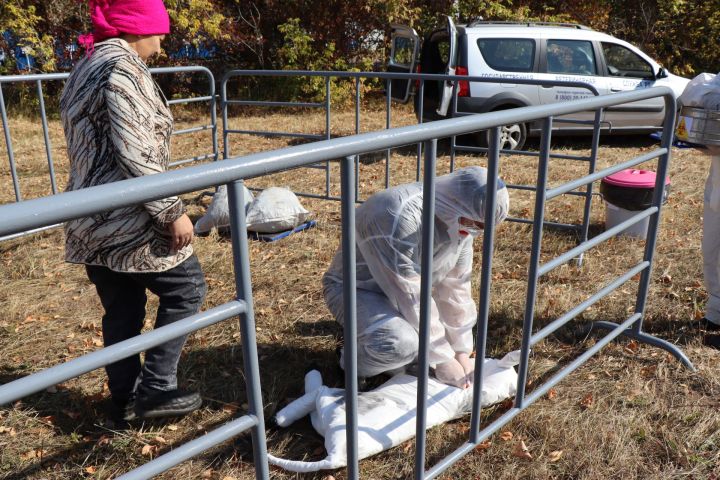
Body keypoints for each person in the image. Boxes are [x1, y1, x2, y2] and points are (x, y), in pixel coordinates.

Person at [60, 0, 207, 421]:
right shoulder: (122, 69)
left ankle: (123, 398)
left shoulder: (87, 65)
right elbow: (136, 149)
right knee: (186, 288)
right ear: (137, 29)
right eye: (159, 33)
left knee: (122, 308)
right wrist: (170, 210)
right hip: (129, 218)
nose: (161, 45)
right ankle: (156, 389)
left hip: (91, 216)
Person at [322, 167, 510, 388]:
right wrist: (443, 358)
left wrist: (461, 350)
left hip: (403, 293)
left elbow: (456, 285)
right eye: (475, 225)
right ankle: (349, 362)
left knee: (429, 346)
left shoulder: (460, 219)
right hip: (357, 289)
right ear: (458, 203)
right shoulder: (397, 215)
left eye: (481, 228)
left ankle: (388, 350)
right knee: (398, 345)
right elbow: (408, 292)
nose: (474, 232)